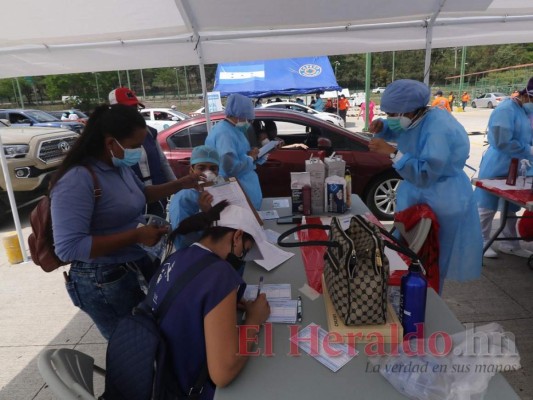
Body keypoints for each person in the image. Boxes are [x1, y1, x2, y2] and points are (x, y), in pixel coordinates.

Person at [50, 104, 200, 339]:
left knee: (154, 336)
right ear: (111, 143)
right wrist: (137, 235)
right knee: (133, 348)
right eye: (134, 146)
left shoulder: (117, 166)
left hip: (132, 265)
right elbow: (68, 248)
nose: (139, 152)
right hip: (104, 280)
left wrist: (181, 183)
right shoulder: (78, 179)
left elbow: (142, 194)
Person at [367, 79, 482, 293]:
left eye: (393, 114)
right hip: (418, 195)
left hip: (442, 199)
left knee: (431, 261)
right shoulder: (417, 118)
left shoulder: (439, 128)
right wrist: (383, 128)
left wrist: (393, 153)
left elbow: (426, 172)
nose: (391, 118)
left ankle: (426, 302)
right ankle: (409, 293)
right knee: (409, 255)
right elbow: (404, 131)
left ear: (411, 111)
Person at [148, 204, 270, 399]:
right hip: (189, 388)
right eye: (244, 252)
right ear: (237, 236)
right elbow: (223, 374)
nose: (241, 258)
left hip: (161, 373)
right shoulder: (220, 274)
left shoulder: (179, 255)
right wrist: (254, 320)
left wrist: (222, 305)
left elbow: (191, 301)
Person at [474, 77, 533, 258]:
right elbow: (502, 141)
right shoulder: (506, 109)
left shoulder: (524, 111)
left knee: (511, 206)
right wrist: (527, 149)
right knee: (487, 204)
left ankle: (510, 242)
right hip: (499, 160)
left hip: (520, 163)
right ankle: (480, 241)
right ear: (528, 95)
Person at [109, 87, 177, 218]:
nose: (133, 112)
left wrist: (176, 186)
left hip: (157, 194)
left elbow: (162, 161)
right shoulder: (111, 140)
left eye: (135, 107)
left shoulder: (149, 132)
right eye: (128, 108)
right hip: (130, 200)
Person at [205, 94, 262, 209]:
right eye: (247, 118)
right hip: (236, 189)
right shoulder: (225, 133)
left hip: (244, 186)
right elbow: (229, 168)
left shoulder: (233, 130)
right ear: (239, 115)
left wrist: (252, 154)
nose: (248, 122)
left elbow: (239, 155)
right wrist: (251, 158)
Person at [168, 145, 219, 249]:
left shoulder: (219, 191)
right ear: (191, 170)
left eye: (213, 168)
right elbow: (182, 241)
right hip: (197, 254)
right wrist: (205, 215)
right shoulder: (183, 199)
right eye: (201, 168)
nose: (208, 173)